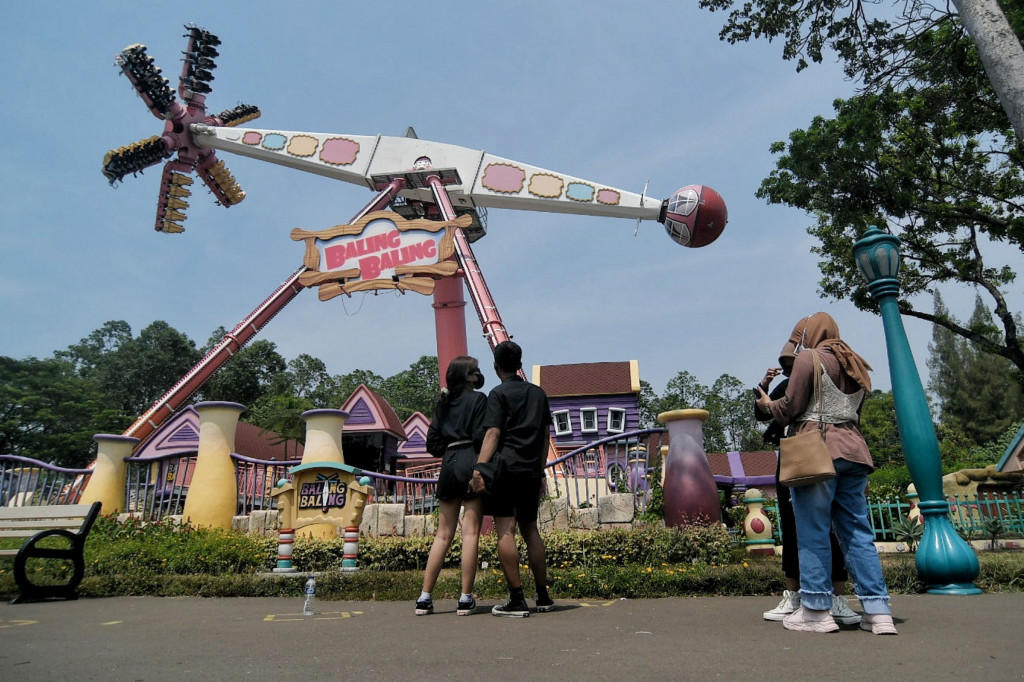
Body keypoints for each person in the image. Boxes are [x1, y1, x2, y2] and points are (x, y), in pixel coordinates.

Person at [755, 312, 897, 635]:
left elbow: (790, 407)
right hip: (855, 453)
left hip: (818, 451)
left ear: (808, 334)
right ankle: (878, 611)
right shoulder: (854, 363)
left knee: (813, 528)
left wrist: (766, 405)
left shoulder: (809, 359)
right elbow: (855, 414)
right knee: (858, 532)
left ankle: (817, 610)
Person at [754, 346, 860, 626]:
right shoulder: (788, 384)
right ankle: (795, 595)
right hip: (797, 455)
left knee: (834, 526)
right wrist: (764, 386)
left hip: (830, 452)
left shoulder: (834, 384)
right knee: (792, 525)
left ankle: (836, 597)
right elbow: (764, 413)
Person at [469, 341, 554, 617]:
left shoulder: (497, 394)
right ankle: (543, 596)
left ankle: (517, 599)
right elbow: (544, 437)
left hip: (506, 469)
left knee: (505, 529)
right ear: (520, 363)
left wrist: (479, 468)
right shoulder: (539, 394)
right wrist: (540, 470)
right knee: (532, 531)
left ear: (496, 367)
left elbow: (492, 433)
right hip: (531, 470)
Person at [415, 356, 488, 616]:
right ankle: (465, 598)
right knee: (470, 533)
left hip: (449, 463)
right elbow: (483, 436)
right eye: (475, 369)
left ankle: (424, 598)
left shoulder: (442, 404)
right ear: (468, 376)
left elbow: (432, 444)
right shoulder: (480, 399)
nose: (479, 372)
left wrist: (450, 445)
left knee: (442, 534)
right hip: (471, 460)